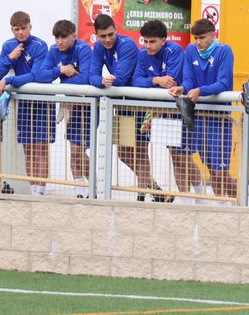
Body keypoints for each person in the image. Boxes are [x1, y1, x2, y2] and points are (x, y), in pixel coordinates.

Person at [90, 13, 167, 202]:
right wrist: (101, 80)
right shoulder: (99, 47)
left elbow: (122, 79)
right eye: (103, 36)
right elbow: (91, 75)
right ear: (96, 35)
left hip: (140, 103)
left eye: (110, 35)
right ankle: (155, 189)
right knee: (124, 153)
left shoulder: (128, 45)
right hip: (123, 104)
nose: (107, 40)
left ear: (115, 30)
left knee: (140, 150)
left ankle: (142, 196)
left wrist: (103, 81)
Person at [170, 18, 236, 202]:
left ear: (213, 35)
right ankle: (221, 203)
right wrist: (183, 88)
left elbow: (223, 83)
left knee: (219, 170)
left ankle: (234, 202)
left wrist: (201, 91)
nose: (198, 42)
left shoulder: (224, 51)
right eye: (196, 38)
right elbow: (189, 79)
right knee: (208, 166)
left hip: (219, 117)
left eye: (202, 38)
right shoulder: (191, 50)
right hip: (199, 116)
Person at [0, 11, 51, 195]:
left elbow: (35, 76)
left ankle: (40, 192)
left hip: (42, 102)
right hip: (25, 104)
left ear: (30, 27)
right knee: (28, 147)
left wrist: (10, 81)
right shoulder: (9, 46)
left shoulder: (40, 45)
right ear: (12, 29)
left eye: (23, 28)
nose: (20, 33)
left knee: (41, 147)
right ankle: (32, 188)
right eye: (16, 29)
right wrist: (10, 58)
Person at [131, 19, 189, 201]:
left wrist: (154, 84)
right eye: (145, 41)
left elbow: (170, 82)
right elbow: (135, 81)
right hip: (146, 109)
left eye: (152, 41)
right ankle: (146, 194)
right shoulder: (142, 54)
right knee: (137, 151)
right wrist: (156, 80)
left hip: (169, 112)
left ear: (164, 40)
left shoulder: (175, 50)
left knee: (178, 157)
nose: (148, 46)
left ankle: (188, 199)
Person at [39, 19, 94, 195]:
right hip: (70, 103)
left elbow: (85, 79)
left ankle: (95, 185)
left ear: (74, 36)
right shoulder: (53, 50)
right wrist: (61, 70)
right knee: (73, 149)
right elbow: (41, 76)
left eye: (63, 37)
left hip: (88, 104)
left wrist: (63, 81)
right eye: (57, 37)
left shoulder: (83, 49)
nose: (59, 41)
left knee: (79, 149)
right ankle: (80, 190)